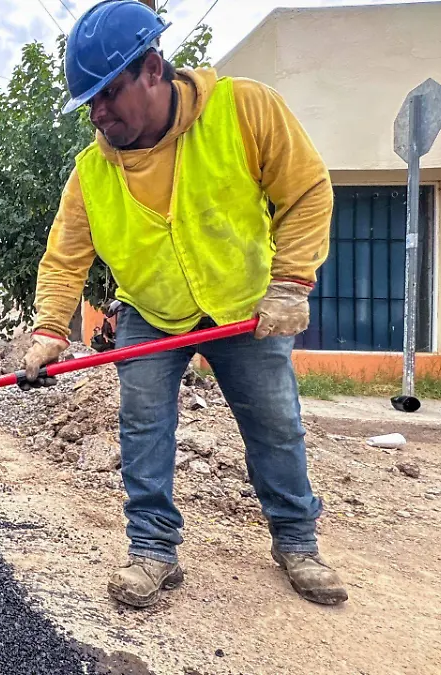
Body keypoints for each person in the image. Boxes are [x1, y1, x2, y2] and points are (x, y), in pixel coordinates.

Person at [21, 0, 345, 608]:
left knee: (275, 426)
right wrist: (49, 332)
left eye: (108, 93)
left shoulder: (243, 109)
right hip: (150, 311)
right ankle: (152, 551)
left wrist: (290, 283)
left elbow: (306, 191)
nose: (98, 113)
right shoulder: (92, 172)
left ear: (152, 68)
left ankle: (297, 542)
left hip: (245, 305)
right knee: (143, 428)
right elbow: (65, 257)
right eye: (88, 101)